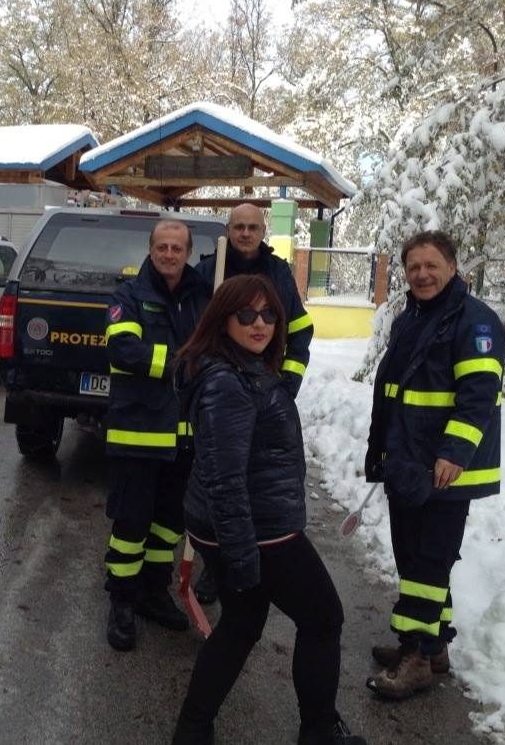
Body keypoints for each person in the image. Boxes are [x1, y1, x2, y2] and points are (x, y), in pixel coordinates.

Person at [171, 275, 364, 745]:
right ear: (223, 319)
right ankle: (318, 731)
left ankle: (192, 730)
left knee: (240, 625)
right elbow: (224, 476)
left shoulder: (242, 367)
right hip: (260, 531)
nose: (260, 324)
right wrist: (240, 557)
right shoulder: (227, 382)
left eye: (269, 314)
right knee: (323, 618)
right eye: (246, 315)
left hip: (249, 525)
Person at [364, 230, 505, 700]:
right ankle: (435, 646)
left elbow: (478, 399)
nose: (421, 274)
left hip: (446, 469)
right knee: (415, 554)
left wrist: (454, 454)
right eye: (413, 267)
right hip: (410, 462)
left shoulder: (475, 322)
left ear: (452, 266)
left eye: (431, 265)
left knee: (427, 560)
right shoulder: (416, 316)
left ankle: (417, 658)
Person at [192, 203, 315, 604]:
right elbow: (192, 324)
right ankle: (217, 567)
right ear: (228, 230)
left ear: (264, 231)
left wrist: (286, 383)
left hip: (262, 391)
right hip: (225, 389)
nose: (245, 233)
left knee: (253, 483)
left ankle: (251, 558)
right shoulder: (211, 268)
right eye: (238, 227)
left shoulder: (277, 273)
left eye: (253, 227)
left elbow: (299, 330)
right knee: (219, 480)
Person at [103, 218, 209, 652]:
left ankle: (152, 591)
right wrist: (184, 360)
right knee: (131, 523)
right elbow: (124, 349)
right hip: (139, 433)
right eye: (162, 247)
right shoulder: (128, 295)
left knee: (169, 525)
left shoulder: (203, 296)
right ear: (150, 250)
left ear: (187, 251)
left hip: (185, 438)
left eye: (176, 248)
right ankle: (121, 602)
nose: (169, 254)